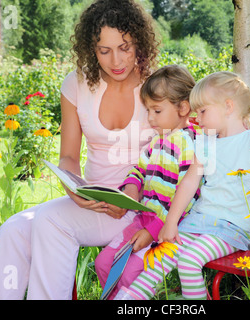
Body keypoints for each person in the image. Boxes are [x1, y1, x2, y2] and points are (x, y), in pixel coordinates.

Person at [0, 0, 159, 300]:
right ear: (91, 48)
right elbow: (70, 157)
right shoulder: (77, 84)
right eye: (104, 50)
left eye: (124, 47)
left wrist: (131, 199)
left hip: (144, 207)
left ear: (138, 40)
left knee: (49, 221)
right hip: (94, 203)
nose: (116, 60)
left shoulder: (159, 84)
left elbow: (182, 154)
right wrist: (74, 189)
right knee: (14, 229)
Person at [115, 71, 250, 300]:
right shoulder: (206, 142)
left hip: (232, 227)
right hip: (198, 220)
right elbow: (189, 182)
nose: (198, 119)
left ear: (228, 107)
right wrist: (171, 222)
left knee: (188, 261)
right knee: (159, 257)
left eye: (203, 111)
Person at [94, 65, 203, 299]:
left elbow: (188, 198)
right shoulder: (157, 142)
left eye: (157, 110)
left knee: (130, 273)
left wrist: (152, 232)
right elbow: (138, 170)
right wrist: (131, 190)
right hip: (142, 220)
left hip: (166, 229)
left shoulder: (188, 144)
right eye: (148, 111)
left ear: (183, 108)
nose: (150, 118)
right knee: (103, 263)